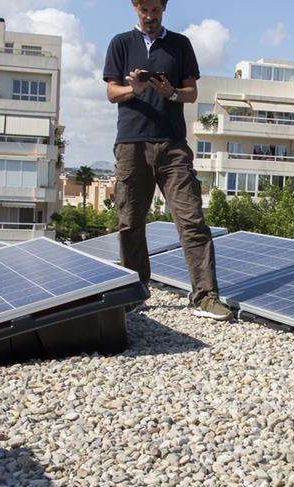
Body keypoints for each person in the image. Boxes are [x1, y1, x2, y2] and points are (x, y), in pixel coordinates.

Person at [102, 0, 231, 320]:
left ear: (164, 8)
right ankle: (135, 289)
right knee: (130, 221)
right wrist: (134, 89)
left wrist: (171, 92)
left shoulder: (180, 44)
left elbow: (191, 93)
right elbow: (111, 93)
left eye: (155, 10)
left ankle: (205, 295)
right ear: (135, 8)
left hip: (173, 146)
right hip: (131, 145)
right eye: (144, 10)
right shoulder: (120, 43)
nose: (149, 16)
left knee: (191, 219)